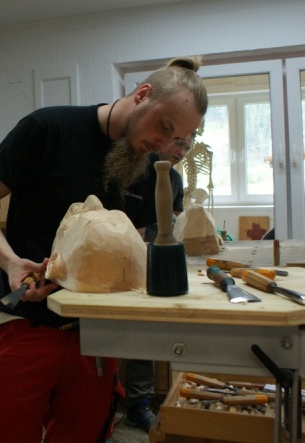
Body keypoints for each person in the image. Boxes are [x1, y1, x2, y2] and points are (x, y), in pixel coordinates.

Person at [0, 56, 207, 443]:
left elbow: (132, 252)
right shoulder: (48, 129)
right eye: (164, 126)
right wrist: (9, 261)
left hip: (97, 337)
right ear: (142, 95)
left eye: (176, 138)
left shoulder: (147, 167)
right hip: (26, 325)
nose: (164, 144)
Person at [125, 133, 195, 434]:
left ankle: (151, 400)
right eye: (178, 142)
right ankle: (130, 405)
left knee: (155, 328)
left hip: (160, 258)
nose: (182, 151)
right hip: (126, 256)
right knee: (133, 332)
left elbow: (175, 224)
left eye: (187, 147)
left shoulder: (174, 180)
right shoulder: (134, 169)